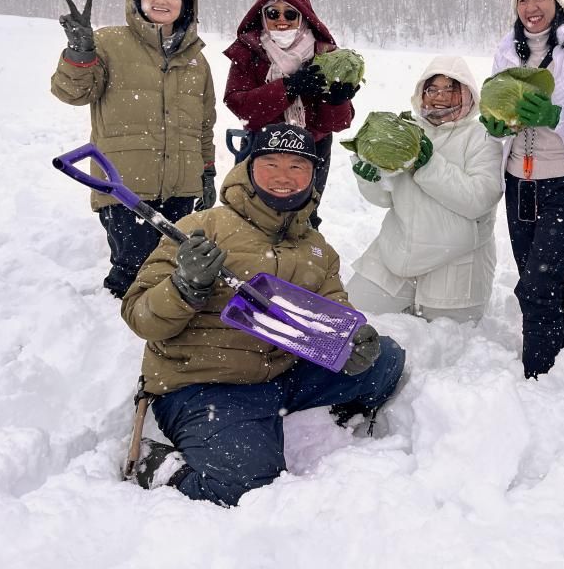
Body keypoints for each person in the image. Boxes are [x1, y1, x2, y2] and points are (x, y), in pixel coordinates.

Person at [122, 123, 405, 506]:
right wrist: (184, 286)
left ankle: (318, 418)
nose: (283, 177)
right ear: (249, 168)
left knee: (386, 361)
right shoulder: (201, 228)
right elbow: (140, 316)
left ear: (313, 175)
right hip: (206, 383)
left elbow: (335, 312)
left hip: (283, 372)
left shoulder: (317, 248)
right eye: (271, 164)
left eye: (297, 167)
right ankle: (159, 466)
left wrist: (353, 343)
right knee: (247, 488)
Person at [51, 0, 217, 298]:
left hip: (182, 184)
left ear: (185, 2)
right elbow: (73, 92)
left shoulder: (196, 59)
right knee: (134, 266)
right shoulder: (109, 43)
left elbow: (204, 124)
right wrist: (80, 53)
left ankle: (162, 319)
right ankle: (119, 317)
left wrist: (207, 172)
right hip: (125, 183)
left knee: (174, 264)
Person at [480, 0, 564, 378]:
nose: (531, 6)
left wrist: (557, 115)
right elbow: (496, 110)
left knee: (536, 284)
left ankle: (538, 373)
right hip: (519, 183)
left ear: (558, 2)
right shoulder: (506, 51)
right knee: (543, 281)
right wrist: (496, 124)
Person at [347, 56, 503, 323]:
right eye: (432, 89)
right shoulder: (408, 132)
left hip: (456, 260)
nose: (440, 96)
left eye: (451, 88)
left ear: (468, 94)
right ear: (421, 93)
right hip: (398, 251)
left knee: (445, 340)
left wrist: (429, 165)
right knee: (351, 315)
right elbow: (384, 198)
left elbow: (480, 199)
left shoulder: (482, 137)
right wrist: (371, 180)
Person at [223, 0, 357, 225]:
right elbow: (240, 105)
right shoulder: (249, 51)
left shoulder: (324, 54)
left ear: (303, 17)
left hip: (312, 150)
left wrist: (336, 101)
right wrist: (288, 87)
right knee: (251, 216)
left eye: (290, 13)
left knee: (303, 217)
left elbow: (336, 124)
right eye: (273, 13)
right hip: (261, 146)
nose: (281, 20)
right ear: (262, 17)